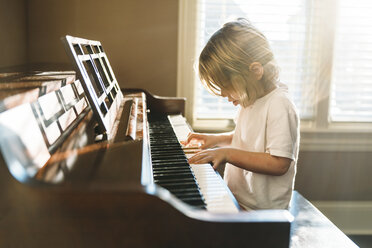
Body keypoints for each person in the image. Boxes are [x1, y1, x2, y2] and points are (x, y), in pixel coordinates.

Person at [184, 18, 300, 210]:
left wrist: (227, 154)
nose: (223, 94)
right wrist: (216, 140)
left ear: (255, 71)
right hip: (238, 199)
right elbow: (245, 138)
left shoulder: (279, 105)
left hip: (261, 212)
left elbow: (279, 163)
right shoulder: (251, 100)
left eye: (227, 87)